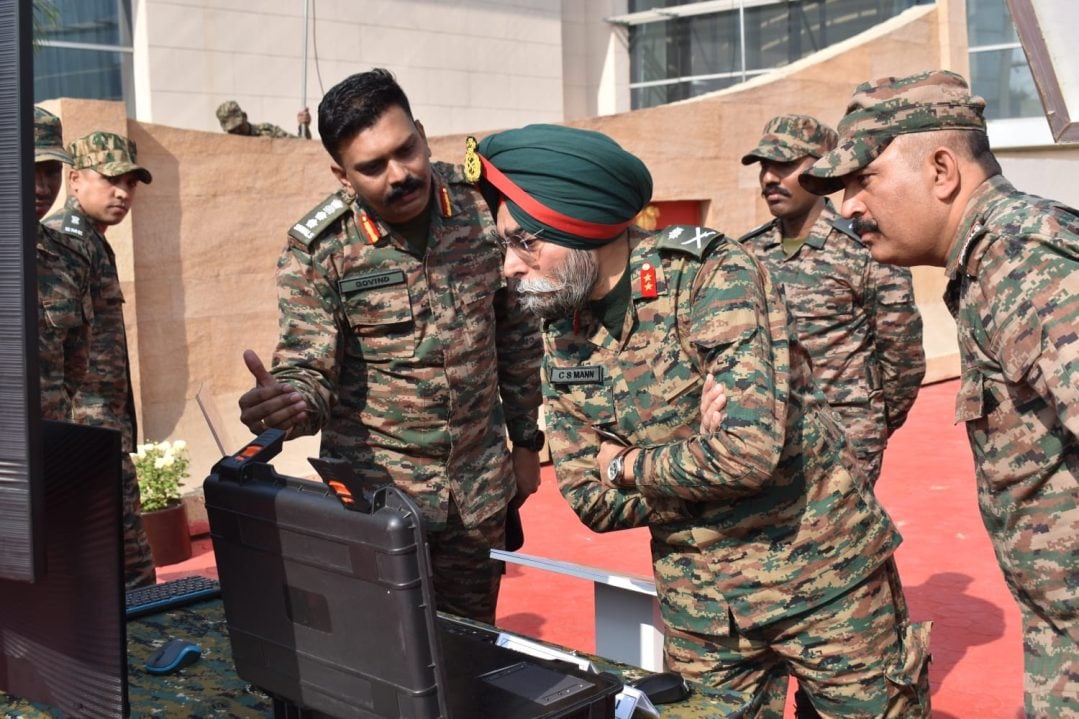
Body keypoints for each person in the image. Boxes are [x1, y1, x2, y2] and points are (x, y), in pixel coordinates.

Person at [471, 123, 931, 717]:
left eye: (523, 242)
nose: (509, 266)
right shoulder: (563, 326)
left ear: (578, 223)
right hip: (704, 611)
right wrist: (693, 450)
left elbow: (744, 453)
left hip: (825, 584)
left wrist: (629, 462)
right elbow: (589, 499)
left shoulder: (708, 275)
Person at [800, 69, 1079, 719]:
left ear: (940, 170)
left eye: (861, 180)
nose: (846, 208)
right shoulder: (987, 262)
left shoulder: (1022, 253)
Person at [237, 68, 543, 625]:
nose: (400, 175)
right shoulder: (321, 250)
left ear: (423, 134)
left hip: (478, 492)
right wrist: (291, 404)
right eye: (373, 167)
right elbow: (310, 365)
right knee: (383, 656)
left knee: (470, 648)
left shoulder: (482, 211)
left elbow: (517, 337)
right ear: (342, 174)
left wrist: (526, 442)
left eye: (407, 150)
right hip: (375, 501)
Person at [739, 114, 925, 487]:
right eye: (765, 166)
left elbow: (901, 354)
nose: (770, 178)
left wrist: (872, 421)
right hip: (769, 438)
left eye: (785, 164)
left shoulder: (865, 247)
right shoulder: (747, 252)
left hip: (845, 436)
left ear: (823, 171)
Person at [42, 131, 157, 590]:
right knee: (123, 557)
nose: (122, 193)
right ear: (74, 180)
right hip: (88, 426)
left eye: (130, 183)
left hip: (104, 424)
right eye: (110, 180)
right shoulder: (66, 244)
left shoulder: (92, 242)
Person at [34, 106, 90, 420]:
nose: (43, 187)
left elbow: (75, 365)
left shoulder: (70, 258)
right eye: (30, 169)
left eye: (52, 171)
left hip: (47, 443)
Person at [215, 100, 312, 138]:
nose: (237, 131)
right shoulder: (226, 146)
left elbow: (300, 145)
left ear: (245, 116)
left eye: (238, 126)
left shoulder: (267, 130)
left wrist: (304, 127)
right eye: (232, 130)